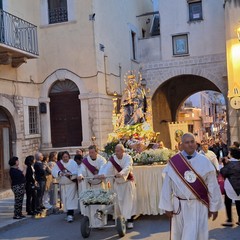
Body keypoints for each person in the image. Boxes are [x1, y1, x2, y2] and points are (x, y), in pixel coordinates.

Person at [159, 133, 223, 240]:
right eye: (187, 142)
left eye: (192, 141)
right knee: (180, 235)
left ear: (196, 143)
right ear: (182, 145)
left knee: (198, 235)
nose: (190, 145)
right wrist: (167, 206)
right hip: (179, 206)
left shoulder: (205, 161)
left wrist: (214, 207)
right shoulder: (174, 162)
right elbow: (167, 186)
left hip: (199, 205)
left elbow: (213, 186)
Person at [98, 144, 137, 229]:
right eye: (115, 151)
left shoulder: (128, 158)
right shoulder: (113, 159)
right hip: (118, 184)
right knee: (118, 203)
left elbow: (128, 167)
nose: (116, 153)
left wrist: (121, 173)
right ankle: (120, 221)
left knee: (129, 202)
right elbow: (108, 168)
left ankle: (130, 221)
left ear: (122, 151)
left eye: (118, 151)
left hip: (127, 183)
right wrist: (103, 175)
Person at [52, 151, 78, 222]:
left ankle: (70, 214)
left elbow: (77, 171)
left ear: (69, 157)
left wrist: (70, 174)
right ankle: (68, 214)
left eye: (66, 157)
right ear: (62, 157)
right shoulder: (59, 164)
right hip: (63, 185)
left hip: (71, 184)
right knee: (65, 200)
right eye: (63, 157)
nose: (65, 158)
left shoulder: (73, 163)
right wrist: (59, 173)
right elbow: (54, 171)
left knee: (70, 199)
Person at [220, 147, 240, 227]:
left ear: (231, 154)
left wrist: (222, 163)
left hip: (231, 187)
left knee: (227, 201)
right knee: (239, 202)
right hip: (238, 188)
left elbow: (222, 172)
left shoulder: (230, 164)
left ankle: (229, 220)